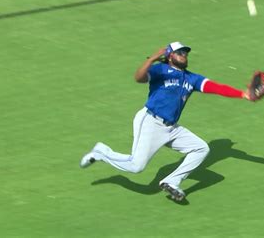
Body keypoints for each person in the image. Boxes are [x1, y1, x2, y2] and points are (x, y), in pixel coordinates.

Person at [80, 42, 252, 201]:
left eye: (185, 53)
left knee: (201, 148)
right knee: (136, 166)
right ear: (170, 55)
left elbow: (217, 88)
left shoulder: (192, 79)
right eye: (180, 52)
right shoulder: (160, 70)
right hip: (150, 121)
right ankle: (101, 152)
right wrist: (153, 58)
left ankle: (172, 182)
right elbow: (138, 78)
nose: (184, 55)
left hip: (171, 128)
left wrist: (242, 94)